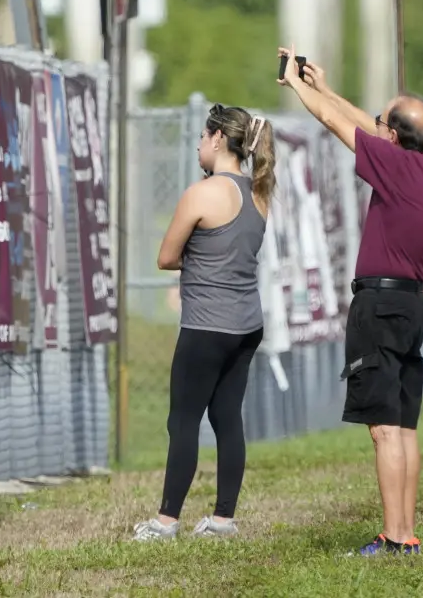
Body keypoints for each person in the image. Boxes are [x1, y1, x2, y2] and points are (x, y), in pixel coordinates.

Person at [277, 48, 423, 557]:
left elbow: (337, 123)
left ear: (394, 139)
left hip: (378, 308)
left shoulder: (393, 168)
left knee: (382, 429)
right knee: (403, 425)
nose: (375, 127)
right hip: (410, 308)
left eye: (383, 123)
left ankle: (395, 536)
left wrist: (300, 87)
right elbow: (364, 127)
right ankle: (407, 532)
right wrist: (324, 85)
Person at [132, 103, 276, 541]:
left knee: (183, 421)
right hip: (247, 325)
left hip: (207, 326)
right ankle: (223, 520)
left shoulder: (202, 193)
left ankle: (165, 522)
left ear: (217, 138)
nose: (198, 145)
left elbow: (165, 257)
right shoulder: (259, 192)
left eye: (201, 136)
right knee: (228, 417)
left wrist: (197, 263)